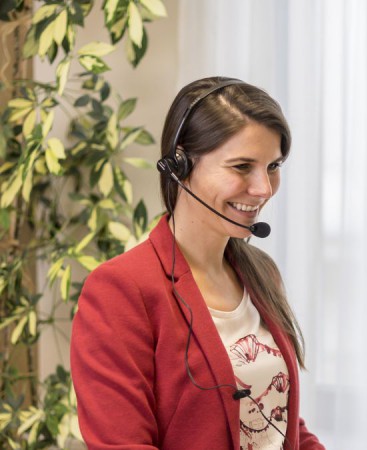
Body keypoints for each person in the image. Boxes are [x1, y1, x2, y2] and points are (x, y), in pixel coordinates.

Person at [71, 77, 325, 450]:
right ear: (180, 165)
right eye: (242, 166)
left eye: (273, 166)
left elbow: (280, 419)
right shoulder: (120, 290)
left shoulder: (260, 272)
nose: (263, 189)